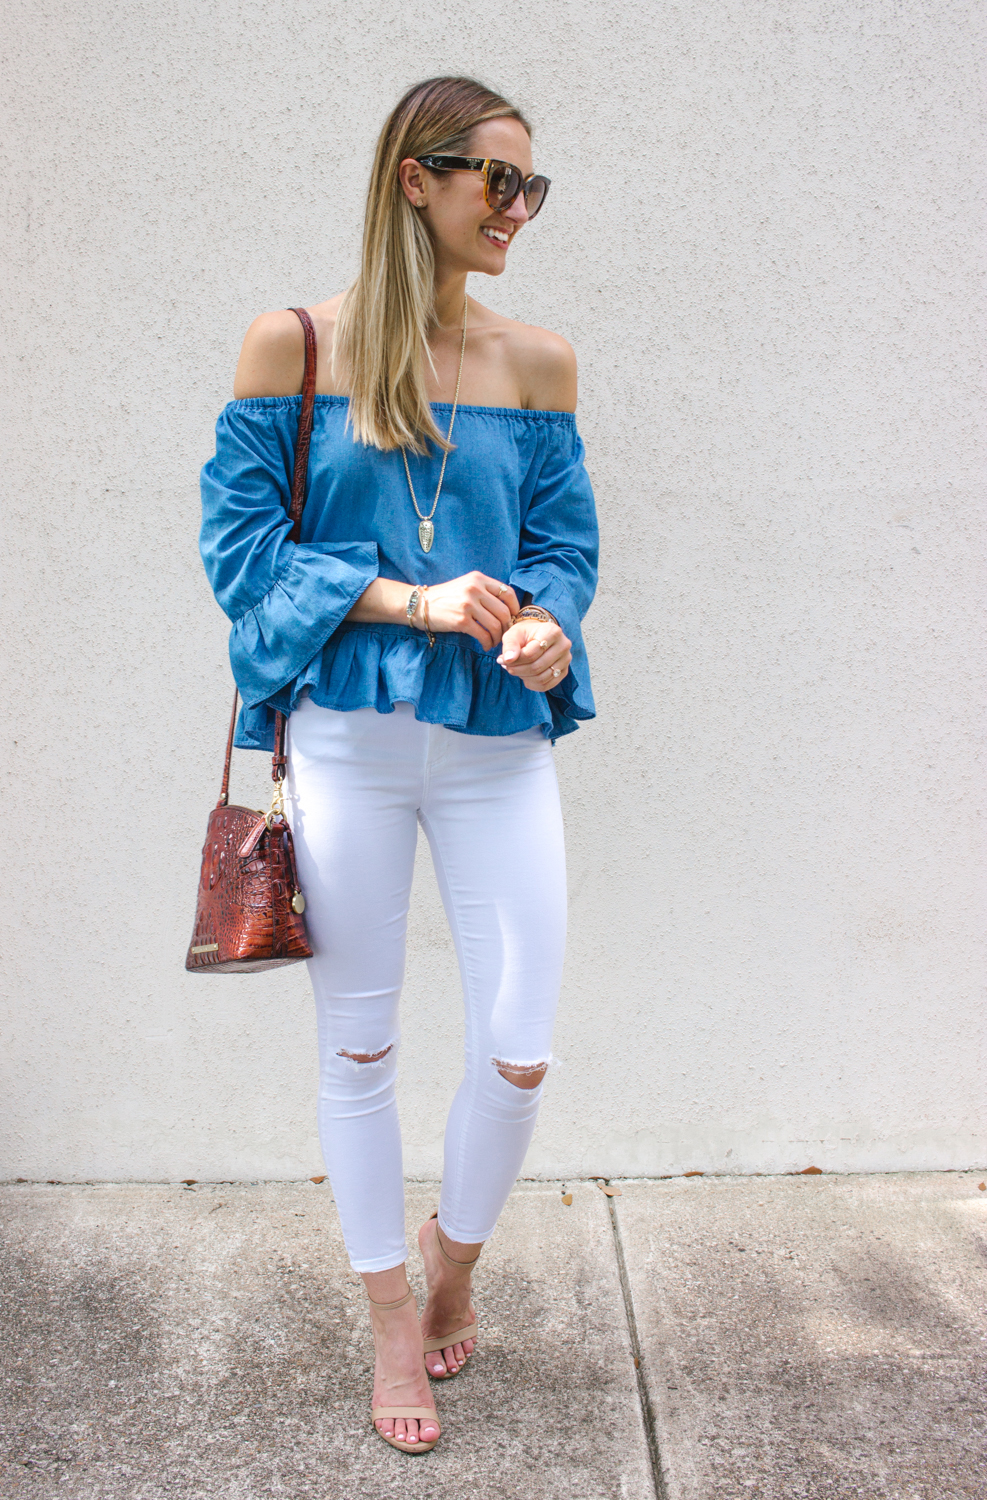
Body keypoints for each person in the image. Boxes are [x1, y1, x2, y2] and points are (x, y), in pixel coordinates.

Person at [199, 75, 598, 1454]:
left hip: (496, 744)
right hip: (349, 746)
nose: (517, 209)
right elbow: (242, 568)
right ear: (413, 181)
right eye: (497, 180)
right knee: (358, 1044)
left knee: (519, 1040)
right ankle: (386, 1312)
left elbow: (564, 550)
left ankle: (455, 1257)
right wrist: (410, 600)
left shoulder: (537, 362)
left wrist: (545, 627)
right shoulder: (291, 349)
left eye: (531, 186)